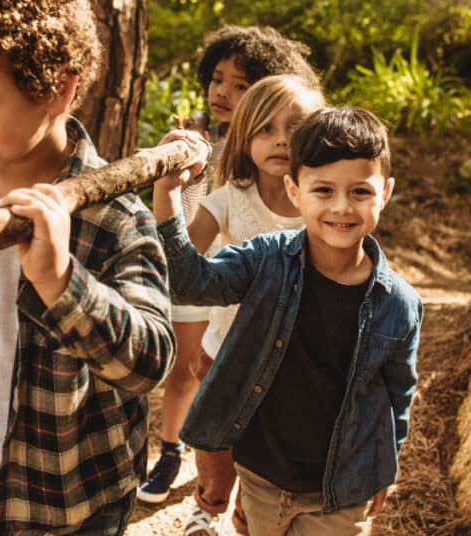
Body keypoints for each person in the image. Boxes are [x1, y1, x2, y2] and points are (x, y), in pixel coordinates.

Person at [0, 1, 175, 534]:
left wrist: (60, 280)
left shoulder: (113, 216)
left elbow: (150, 360)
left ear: (60, 90)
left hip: (73, 491)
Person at [153, 107, 422, 536]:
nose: (341, 207)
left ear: (385, 192)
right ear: (294, 190)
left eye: (359, 192)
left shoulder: (400, 304)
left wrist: (385, 465)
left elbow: (397, 393)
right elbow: (189, 282)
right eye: (323, 190)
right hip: (262, 476)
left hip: (341, 488)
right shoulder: (264, 261)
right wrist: (168, 192)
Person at [139, 22, 319, 522]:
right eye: (218, 79)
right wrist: (173, 186)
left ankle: (246, 510)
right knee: (204, 408)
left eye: (241, 84)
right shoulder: (210, 162)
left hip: (285, 345)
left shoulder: (320, 196)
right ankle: (195, 483)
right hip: (218, 314)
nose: (224, 92)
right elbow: (184, 244)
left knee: (262, 450)